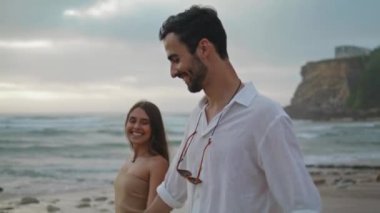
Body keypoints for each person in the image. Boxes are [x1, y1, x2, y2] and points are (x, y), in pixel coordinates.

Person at [145, 5, 321, 213]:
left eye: (176, 59)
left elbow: (303, 207)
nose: (173, 72)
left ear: (203, 48)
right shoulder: (197, 117)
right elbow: (170, 192)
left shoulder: (266, 117)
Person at [114, 100, 169, 213]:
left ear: (154, 128)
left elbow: (155, 211)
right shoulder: (131, 158)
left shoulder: (157, 163)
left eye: (144, 122)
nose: (136, 126)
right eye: (132, 120)